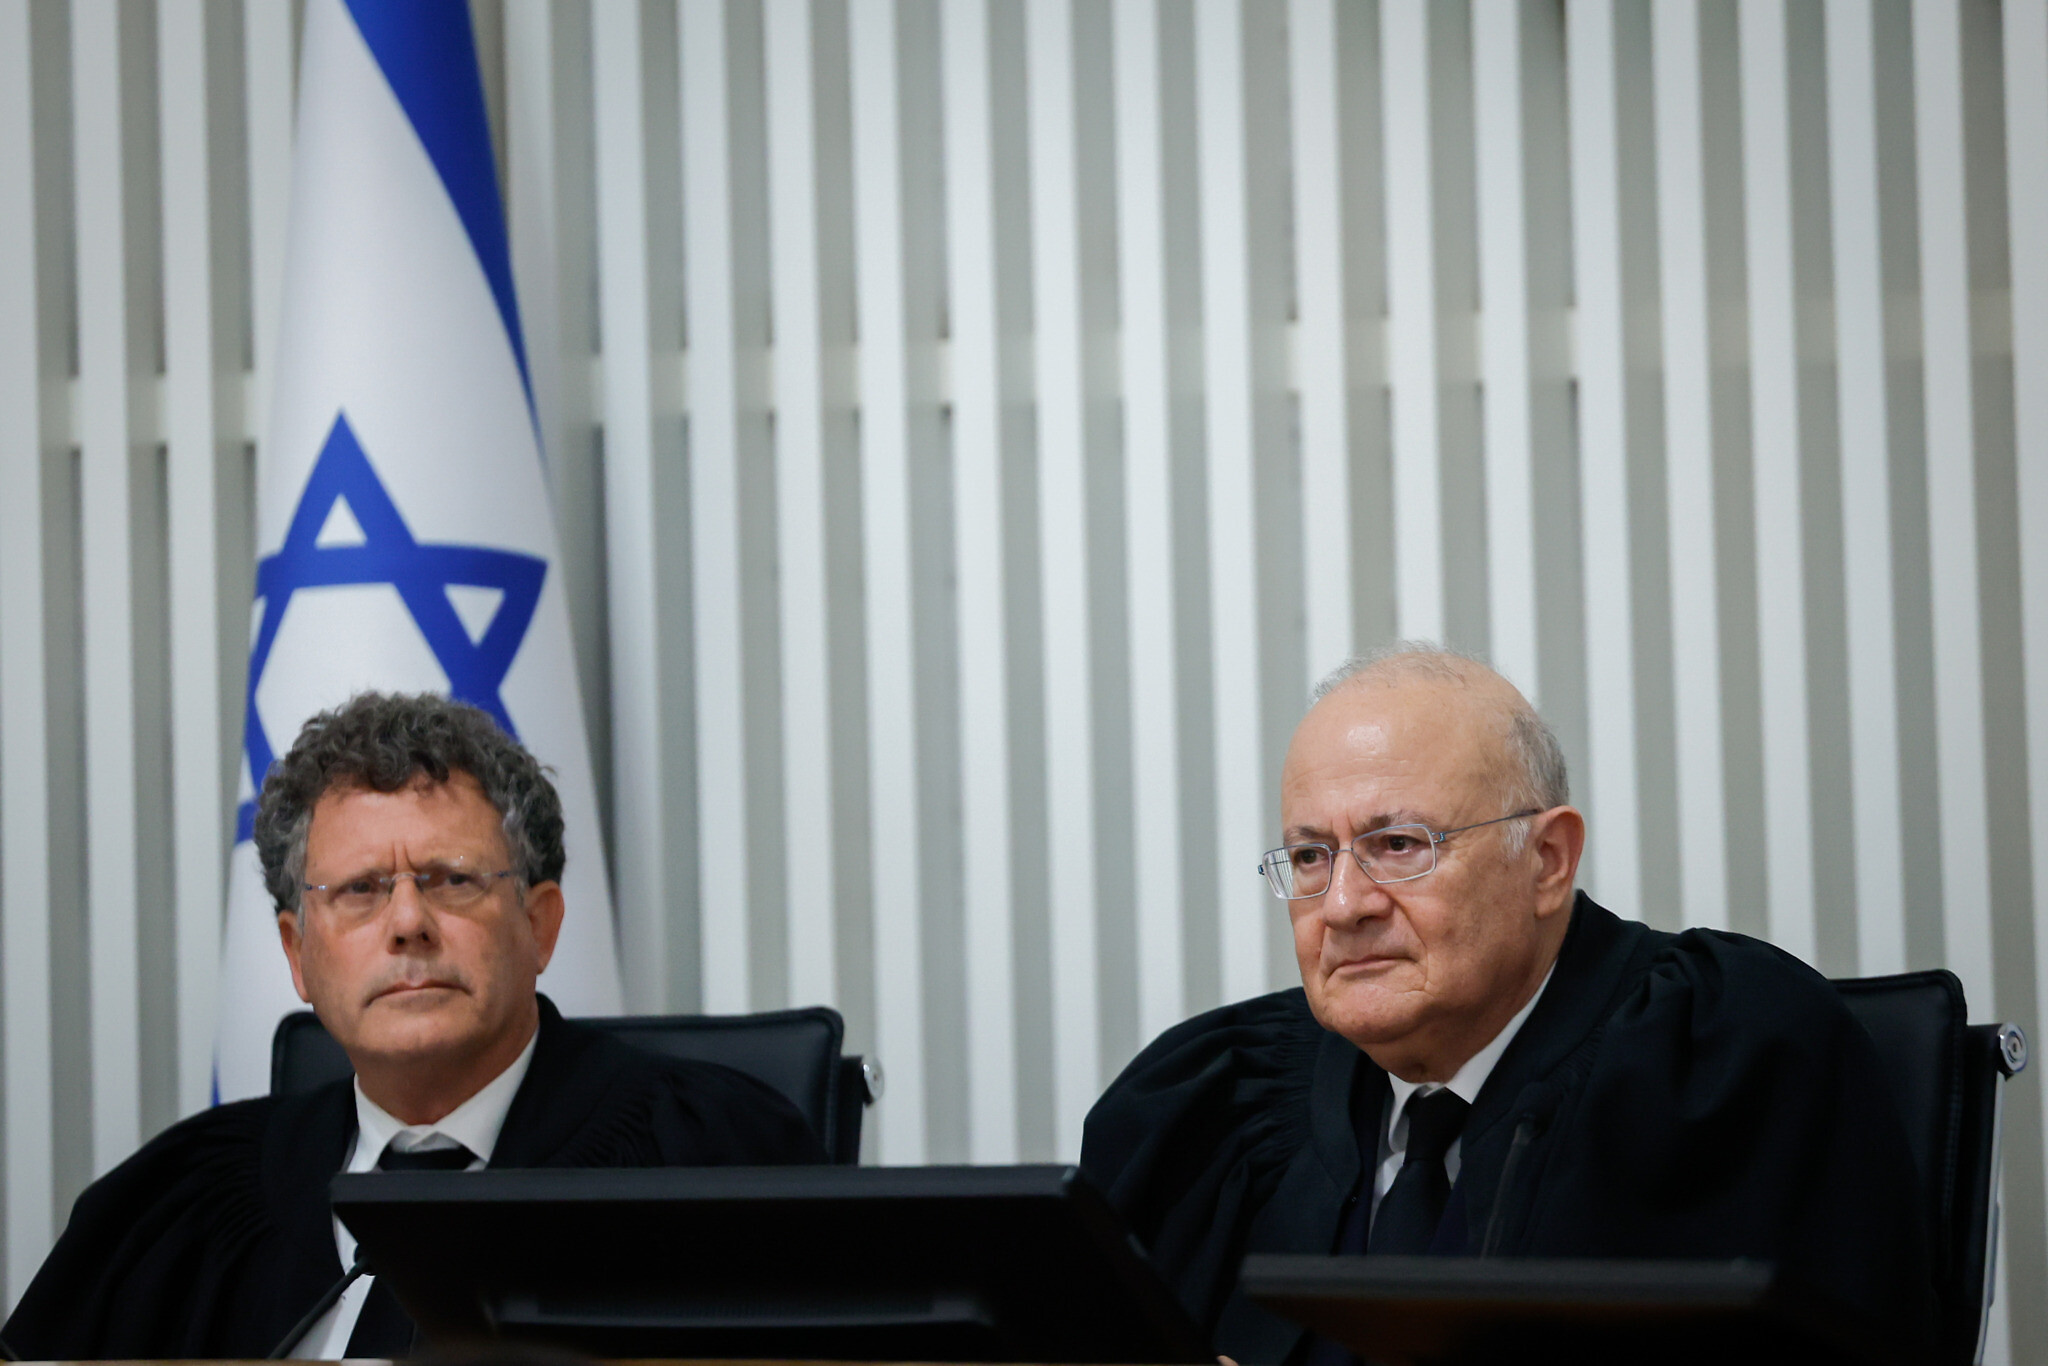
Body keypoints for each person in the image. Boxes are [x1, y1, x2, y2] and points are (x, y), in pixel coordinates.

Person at [1080, 644, 1938, 1364]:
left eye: (1398, 844)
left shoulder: (1726, 1057)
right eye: (1311, 856)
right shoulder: (1206, 1107)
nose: (1343, 905)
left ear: (1548, 860)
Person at [4, 692, 825, 1359]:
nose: (407, 924)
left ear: (539, 925)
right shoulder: (180, 1207)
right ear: (297, 953)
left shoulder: (709, 1156)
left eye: (451, 880)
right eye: (360, 890)